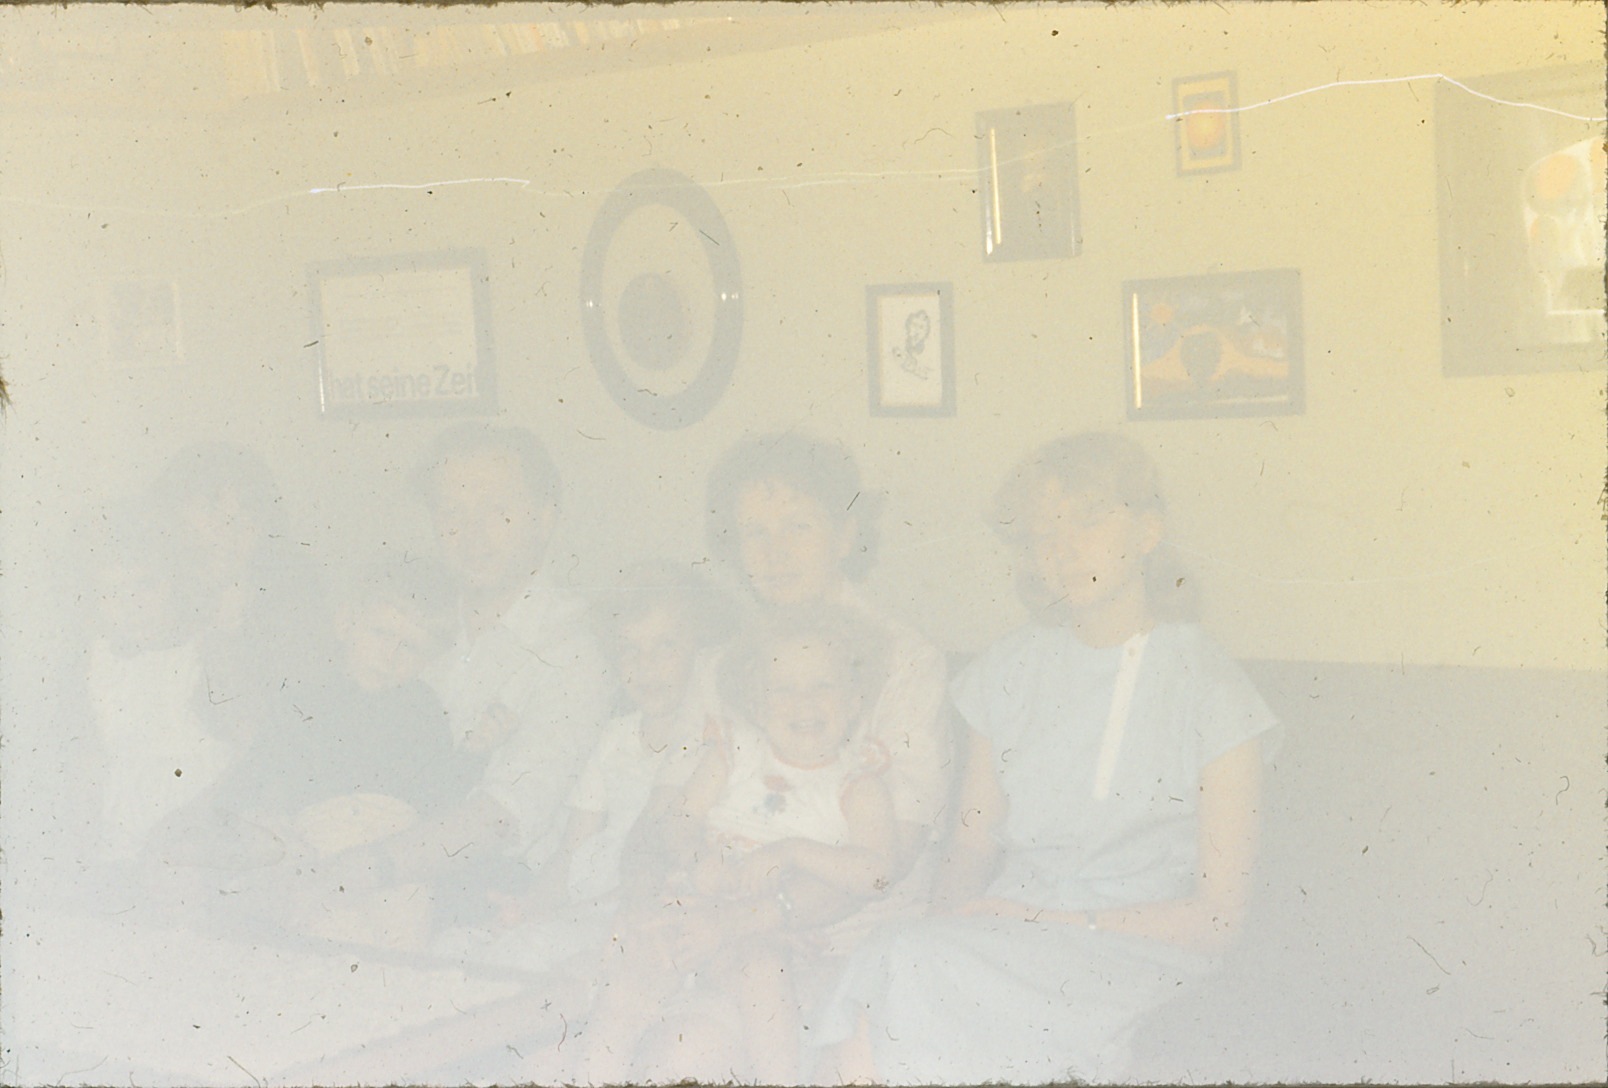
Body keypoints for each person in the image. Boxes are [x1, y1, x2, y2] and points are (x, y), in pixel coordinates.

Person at [819, 432, 1279, 1085]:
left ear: (1148, 532)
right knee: (894, 964)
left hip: (1134, 949)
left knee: (900, 972)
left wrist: (1044, 922)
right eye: (1042, 532)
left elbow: (1218, 917)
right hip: (1009, 929)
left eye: (1087, 520)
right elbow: (970, 848)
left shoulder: (1214, 692)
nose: (1061, 547)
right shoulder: (1005, 672)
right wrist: (950, 927)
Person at [583, 606, 897, 1085]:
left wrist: (791, 850)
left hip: (764, 937)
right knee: (629, 971)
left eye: (823, 686)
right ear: (756, 701)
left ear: (855, 700)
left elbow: (877, 873)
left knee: (763, 973)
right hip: (693, 909)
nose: (804, 703)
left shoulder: (856, 785)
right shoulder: (734, 754)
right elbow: (680, 818)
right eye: (784, 688)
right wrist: (697, 857)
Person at [703, 433, 952, 936]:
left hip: (855, 926)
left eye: (798, 526)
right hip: (724, 914)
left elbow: (896, 853)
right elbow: (671, 814)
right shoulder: (722, 663)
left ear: (844, 536)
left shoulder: (908, 662)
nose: (775, 553)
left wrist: (742, 923)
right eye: (755, 532)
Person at [403, 423, 610, 928]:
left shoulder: (574, 649)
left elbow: (504, 818)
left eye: (497, 510)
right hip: (402, 883)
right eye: (452, 512)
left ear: (544, 519)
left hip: (502, 909)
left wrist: (365, 868)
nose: (472, 534)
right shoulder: (417, 629)